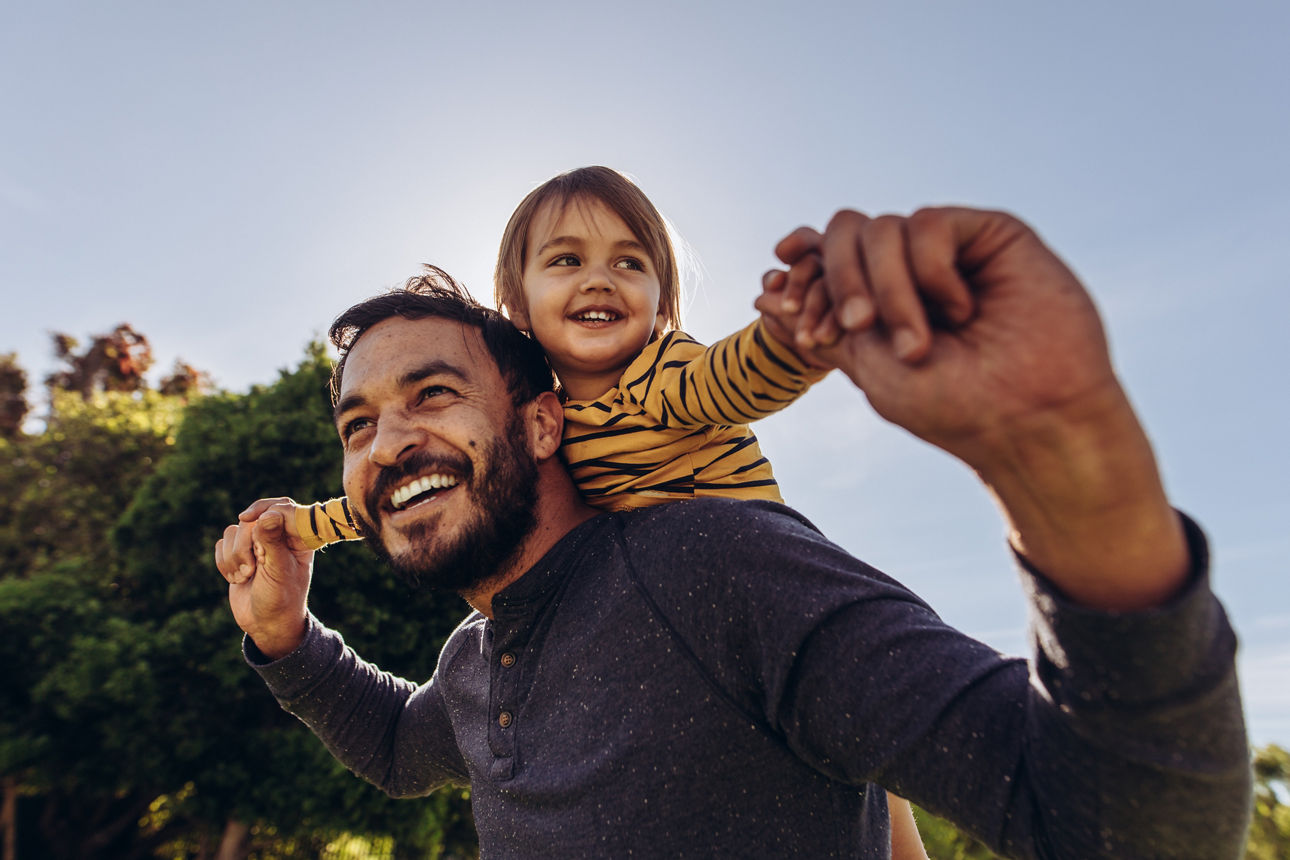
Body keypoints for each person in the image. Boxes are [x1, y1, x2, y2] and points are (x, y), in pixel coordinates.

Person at [216, 205, 1252, 858]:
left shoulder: (712, 563)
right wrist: (285, 636)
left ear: (542, 420)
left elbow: (1126, 822)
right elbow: (400, 747)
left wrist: (1071, 461)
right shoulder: (478, 659)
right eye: (358, 424)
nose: (388, 442)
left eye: (432, 393)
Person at [290, 166, 829, 550]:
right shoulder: (544, 423)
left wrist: (792, 339)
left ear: (662, 305)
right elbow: (417, 485)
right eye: (567, 260)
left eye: (630, 263)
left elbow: (732, 380)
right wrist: (301, 528)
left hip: (767, 569)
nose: (599, 279)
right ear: (517, 303)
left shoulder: (664, 369)